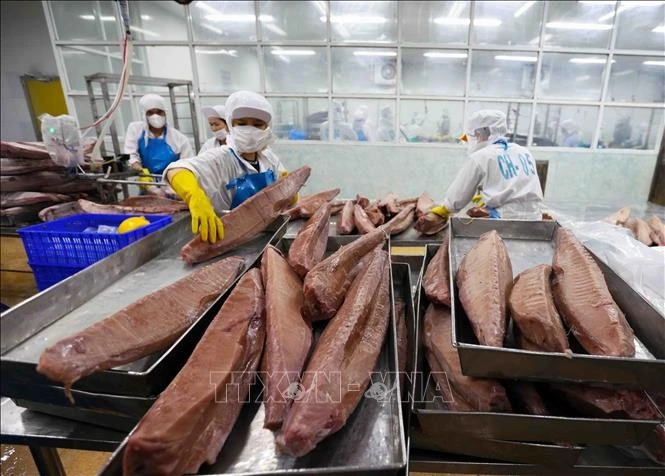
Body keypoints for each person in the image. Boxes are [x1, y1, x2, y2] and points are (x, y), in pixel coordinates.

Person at [164, 91, 291, 244]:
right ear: (231, 125)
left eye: (257, 125)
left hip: (266, 237)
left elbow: (283, 179)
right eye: (242, 123)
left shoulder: (269, 158)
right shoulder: (221, 157)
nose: (250, 130)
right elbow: (176, 170)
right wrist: (195, 196)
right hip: (227, 242)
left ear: (267, 127)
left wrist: (289, 191)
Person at [421, 110, 543, 226]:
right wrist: (491, 195)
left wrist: (445, 209)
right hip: (535, 218)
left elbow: (459, 194)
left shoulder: (481, 156)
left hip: (502, 220)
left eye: (472, 136)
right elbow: (515, 182)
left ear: (478, 133)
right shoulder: (523, 151)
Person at [124, 94, 194, 179]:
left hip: (172, 183)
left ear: (165, 113)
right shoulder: (136, 129)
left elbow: (187, 164)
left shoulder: (179, 138)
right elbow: (130, 155)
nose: (155, 116)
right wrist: (142, 173)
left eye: (159, 112)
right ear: (144, 115)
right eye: (150, 113)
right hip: (148, 182)